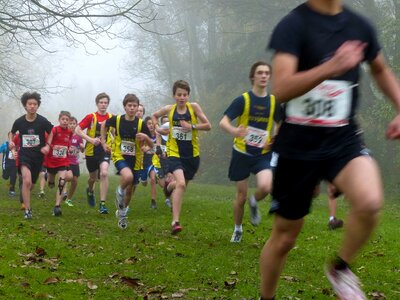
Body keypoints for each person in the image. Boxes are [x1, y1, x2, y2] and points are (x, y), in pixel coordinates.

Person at [260, 1, 400, 299]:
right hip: (297, 147)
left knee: (370, 201)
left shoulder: (358, 26)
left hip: (342, 139)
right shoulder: (293, 25)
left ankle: (340, 269)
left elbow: (381, 70)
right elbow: (281, 88)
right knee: (285, 238)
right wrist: (331, 67)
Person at [219, 61, 279, 243]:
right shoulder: (243, 100)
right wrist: (235, 131)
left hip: (262, 154)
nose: (263, 76)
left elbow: (281, 123)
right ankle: (237, 229)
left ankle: (255, 202)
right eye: (260, 73)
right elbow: (223, 122)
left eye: (267, 73)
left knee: (266, 187)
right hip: (241, 153)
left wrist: (275, 138)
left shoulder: (274, 102)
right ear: (253, 76)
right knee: (240, 196)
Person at [152, 80, 211, 234]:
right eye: (179, 94)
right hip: (174, 153)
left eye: (185, 94)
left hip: (192, 156)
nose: (182, 97)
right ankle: (175, 222)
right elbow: (154, 116)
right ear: (174, 95)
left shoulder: (194, 108)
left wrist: (191, 126)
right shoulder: (169, 110)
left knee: (179, 186)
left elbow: (208, 125)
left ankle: (168, 186)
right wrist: (158, 128)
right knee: (182, 184)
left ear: (188, 95)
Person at [101, 93, 153, 229]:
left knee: (130, 190)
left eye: (134, 106)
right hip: (119, 155)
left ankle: (122, 214)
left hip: (136, 159)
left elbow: (151, 144)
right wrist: (103, 142)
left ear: (137, 108)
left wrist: (145, 140)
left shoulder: (141, 124)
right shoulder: (117, 119)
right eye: (129, 105)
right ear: (124, 107)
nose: (132, 108)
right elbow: (103, 125)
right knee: (128, 177)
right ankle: (119, 190)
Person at [8, 92, 53, 219]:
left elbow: (52, 132)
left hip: (38, 157)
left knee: (31, 184)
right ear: (25, 106)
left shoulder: (43, 121)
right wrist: (11, 141)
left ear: (38, 106)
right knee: (26, 181)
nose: (32, 106)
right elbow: (11, 133)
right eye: (30, 104)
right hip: (24, 155)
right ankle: (28, 210)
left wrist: (48, 146)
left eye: (35, 104)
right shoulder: (19, 121)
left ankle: (25, 193)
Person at [75, 92, 112, 214]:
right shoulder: (90, 117)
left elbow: (117, 133)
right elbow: (77, 129)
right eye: (101, 102)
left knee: (104, 173)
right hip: (91, 151)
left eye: (105, 102)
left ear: (108, 104)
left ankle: (102, 204)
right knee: (93, 178)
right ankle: (90, 190)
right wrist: (90, 140)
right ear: (97, 104)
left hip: (105, 150)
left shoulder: (111, 118)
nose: (103, 105)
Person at [44, 111, 74, 216]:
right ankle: (49, 177)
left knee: (62, 181)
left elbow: (69, 142)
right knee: (51, 183)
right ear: (59, 120)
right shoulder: (55, 129)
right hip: (52, 160)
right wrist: (53, 147)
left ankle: (57, 206)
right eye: (63, 119)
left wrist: (69, 148)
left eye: (67, 120)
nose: (65, 121)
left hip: (63, 160)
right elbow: (49, 141)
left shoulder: (70, 132)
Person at [64, 116, 84, 206]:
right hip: (65, 161)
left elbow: (82, 149)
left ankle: (68, 198)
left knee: (75, 181)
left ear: (76, 125)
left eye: (74, 124)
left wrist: (82, 147)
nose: (72, 125)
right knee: (68, 177)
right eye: (70, 123)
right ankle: (63, 192)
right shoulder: (64, 135)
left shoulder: (79, 137)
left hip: (74, 161)